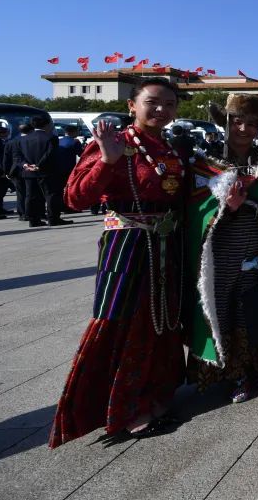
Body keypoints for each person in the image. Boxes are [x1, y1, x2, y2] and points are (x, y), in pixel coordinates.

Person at [50, 77, 189, 446]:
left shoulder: (170, 147)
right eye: (153, 102)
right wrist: (106, 161)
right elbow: (75, 198)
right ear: (132, 105)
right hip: (127, 243)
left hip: (166, 244)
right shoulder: (115, 143)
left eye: (169, 104)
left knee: (161, 319)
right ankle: (125, 408)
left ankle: (156, 394)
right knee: (123, 320)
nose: (161, 110)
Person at [186, 94, 258, 403]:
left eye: (252, 124)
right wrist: (227, 206)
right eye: (237, 122)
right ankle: (234, 374)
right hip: (220, 250)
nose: (244, 129)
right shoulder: (204, 161)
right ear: (225, 123)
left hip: (257, 247)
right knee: (222, 309)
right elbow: (196, 207)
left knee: (254, 308)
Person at [17, 113, 71, 227]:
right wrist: (39, 165)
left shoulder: (24, 138)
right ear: (47, 124)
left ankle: (33, 220)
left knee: (31, 196)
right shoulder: (51, 138)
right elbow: (49, 154)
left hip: (29, 171)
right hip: (47, 171)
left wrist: (25, 164)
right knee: (51, 195)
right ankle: (53, 218)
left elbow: (18, 155)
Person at [6, 123, 33, 220]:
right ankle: (30, 212)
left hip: (15, 170)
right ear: (31, 131)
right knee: (30, 192)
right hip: (29, 168)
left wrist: (6, 171)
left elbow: (6, 157)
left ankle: (22, 213)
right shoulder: (30, 141)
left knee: (20, 192)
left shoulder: (11, 142)